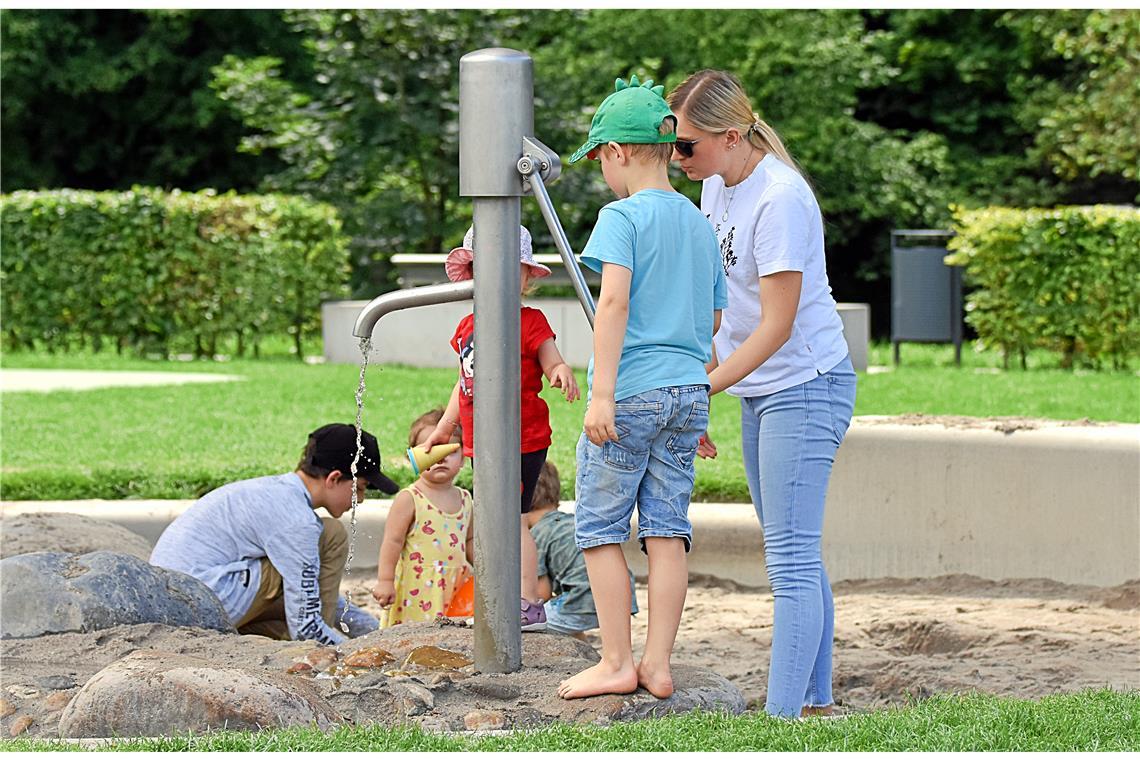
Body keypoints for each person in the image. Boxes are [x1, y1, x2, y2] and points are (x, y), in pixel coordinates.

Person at [667, 69, 858, 719]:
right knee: (793, 544)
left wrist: (701, 390)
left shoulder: (781, 198)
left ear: (728, 135)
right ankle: (814, 700)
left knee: (790, 558)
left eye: (685, 145)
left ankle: (779, 722)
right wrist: (708, 379)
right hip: (761, 388)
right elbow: (719, 306)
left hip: (806, 385)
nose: (675, 157)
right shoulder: (716, 188)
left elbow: (777, 323)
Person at [557, 75, 727, 700]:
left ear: (619, 153)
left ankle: (615, 661)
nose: (603, 169)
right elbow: (711, 321)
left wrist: (602, 394)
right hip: (688, 392)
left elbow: (614, 306)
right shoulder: (697, 222)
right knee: (666, 529)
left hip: (632, 393)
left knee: (599, 529)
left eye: (600, 157)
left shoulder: (620, 217)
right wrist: (700, 407)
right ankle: (658, 662)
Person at [423, 224, 580, 632]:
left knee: (511, 519)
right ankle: (500, 595)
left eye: (508, 270)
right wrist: (444, 428)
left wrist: (560, 370)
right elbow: (464, 383)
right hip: (480, 441)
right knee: (493, 519)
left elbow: (551, 358)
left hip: (521, 439)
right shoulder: (466, 328)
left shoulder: (530, 322)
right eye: (485, 269)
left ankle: (527, 602)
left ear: (526, 277)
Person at [150, 423, 400, 645]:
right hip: (198, 607)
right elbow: (305, 625)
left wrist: (375, 631)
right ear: (334, 479)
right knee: (330, 536)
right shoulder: (297, 521)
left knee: (284, 623)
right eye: (360, 488)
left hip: (179, 603)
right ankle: (318, 652)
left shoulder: (276, 492)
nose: (362, 500)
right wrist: (351, 653)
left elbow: (311, 590)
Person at [372, 409, 473, 626]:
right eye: (429, 450)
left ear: (464, 456)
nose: (440, 457)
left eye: (449, 449)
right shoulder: (410, 498)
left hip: (455, 585)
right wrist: (385, 580)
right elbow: (393, 541)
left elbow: (471, 541)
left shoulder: (465, 499)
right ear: (413, 457)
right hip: (417, 589)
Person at [526, 461, 638, 639]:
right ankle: (585, 656)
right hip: (622, 597)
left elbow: (541, 593)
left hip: (583, 601)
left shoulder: (534, 536)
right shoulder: (574, 523)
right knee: (565, 609)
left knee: (531, 623)